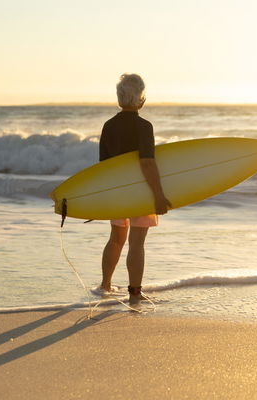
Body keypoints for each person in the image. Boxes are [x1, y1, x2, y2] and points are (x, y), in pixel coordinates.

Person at [97, 73, 171, 304]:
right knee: (137, 243)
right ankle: (135, 292)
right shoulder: (144, 126)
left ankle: (105, 285)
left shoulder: (108, 126)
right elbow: (147, 162)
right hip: (141, 192)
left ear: (119, 98)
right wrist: (158, 195)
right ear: (141, 99)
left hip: (118, 191)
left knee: (115, 239)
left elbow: (104, 167)